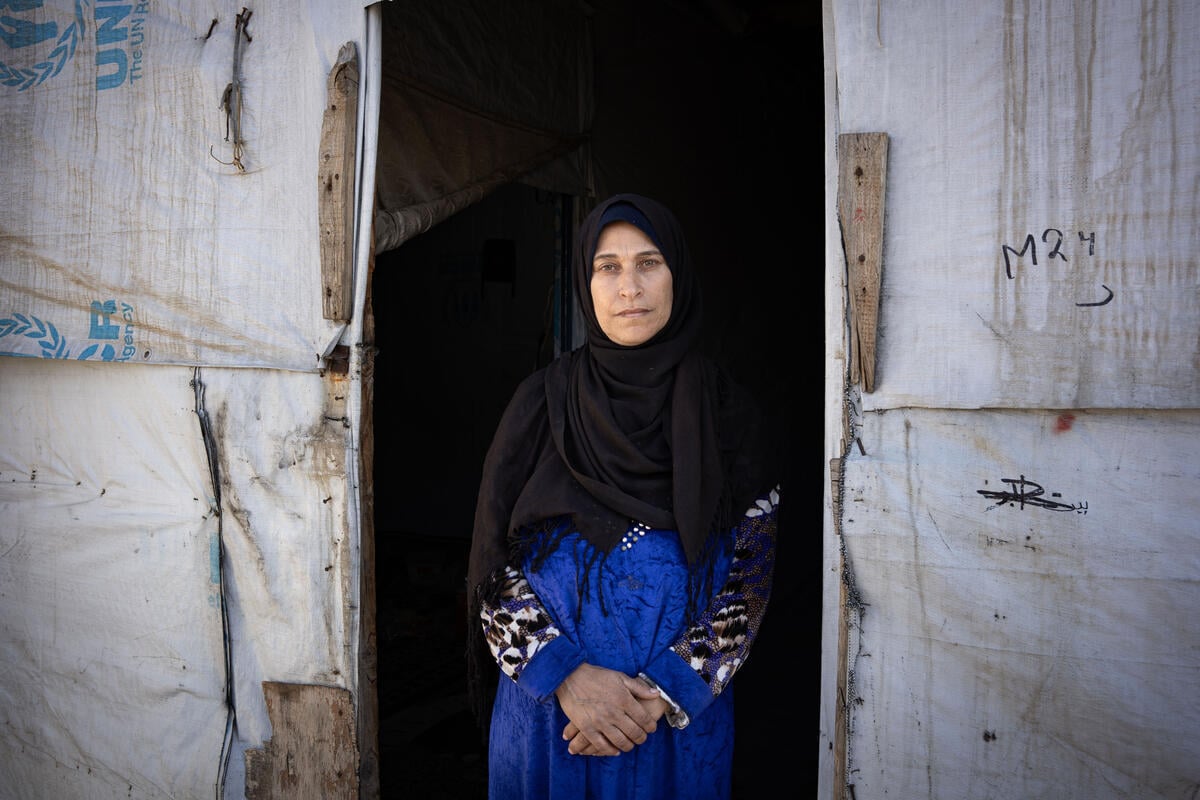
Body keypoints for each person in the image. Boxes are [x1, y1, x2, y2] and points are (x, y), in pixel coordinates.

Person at [466, 192, 781, 799]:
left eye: (648, 263)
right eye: (607, 266)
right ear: (586, 283)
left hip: (673, 732)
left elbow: (752, 576)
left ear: (677, 276)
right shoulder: (540, 402)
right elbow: (490, 565)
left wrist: (661, 694)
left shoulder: (729, 413)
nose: (628, 286)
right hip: (550, 725)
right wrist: (566, 679)